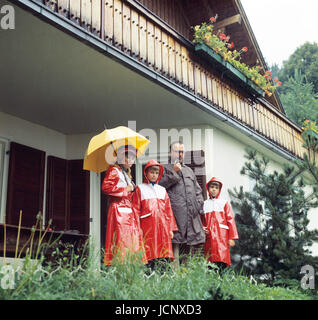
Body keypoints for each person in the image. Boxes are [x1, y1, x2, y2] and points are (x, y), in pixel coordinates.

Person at [158, 141, 206, 267]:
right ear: (170, 152)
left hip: (191, 219)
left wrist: (198, 205)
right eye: (176, 151)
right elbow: (159, 187)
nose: (179, 154)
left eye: (181, 152)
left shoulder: (189, 170)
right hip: (175, 219)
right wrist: (173, 172)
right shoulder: (164, 169)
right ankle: (175, 280)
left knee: (190, 257)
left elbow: (198, 191)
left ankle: (187, 281)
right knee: (174, 254)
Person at [101, 145, 147, 266]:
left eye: (133, 158)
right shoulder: (113, 170)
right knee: (122, 241)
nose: (132, 161)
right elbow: (106, 187)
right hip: (119, 211)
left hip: (128, 210)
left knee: (131, 241)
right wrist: (125, 189)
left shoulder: (124, 173)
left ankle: (130, 269)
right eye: (129, 158)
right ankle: (121, 269)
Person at [132, 159, 178, 271]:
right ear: (146, 173)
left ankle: (163, 276)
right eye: (152, 172)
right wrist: (137, 228)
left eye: (156, 173)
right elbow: (135, 209)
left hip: (163, 227)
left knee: (163, 253)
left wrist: (171, 228)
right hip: (147, 227)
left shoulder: (162, 190)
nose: (154, 175)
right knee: (149, 253)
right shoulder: (140, 188)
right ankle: (149, 276)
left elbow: (168, 210)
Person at [202, 177, 239, 270]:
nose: (214, 189)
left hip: (222, 238)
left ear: (219, 190)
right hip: (209, 237)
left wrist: (232, 237)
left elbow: (230, 220)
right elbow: (201, 220)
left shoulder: (224, 203)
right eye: (212, 187)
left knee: (221, 260)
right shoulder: (204, 204)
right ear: (208, 189)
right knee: (209, 261)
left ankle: (221, 281)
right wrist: (202, 228)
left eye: (216, 187)